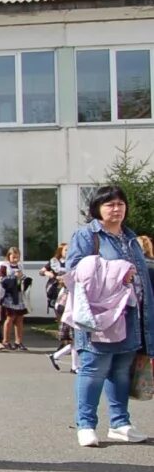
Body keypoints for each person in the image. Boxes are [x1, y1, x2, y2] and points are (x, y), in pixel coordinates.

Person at [64, 186, 152, 447]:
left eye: (120, 204)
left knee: (122, 370)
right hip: (98, 316)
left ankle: (120, 423)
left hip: (130, 315)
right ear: (97, 209)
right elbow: (74, 272)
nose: (117, 209)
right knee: (94, 369)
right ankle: (86, 424)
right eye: (110, 204)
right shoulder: (87, 235)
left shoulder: (130, 238)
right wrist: (118, 270)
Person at [0, 247, 31, 351]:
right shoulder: (4, 266)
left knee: (20, 319)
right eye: (13, 257)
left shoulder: (20, 266)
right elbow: (1, 280)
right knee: (10, 318)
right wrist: (13, 276)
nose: (15, 259)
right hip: (9, 295)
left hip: (19, 294)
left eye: (17, 257)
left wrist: (23, 278)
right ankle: (5, 341)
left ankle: (18, 341)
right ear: (9, 256)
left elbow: (23, 278)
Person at [40, 242, 68, 314]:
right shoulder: (54, 261)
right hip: (56, 288)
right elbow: (41, 271)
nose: (68, 252)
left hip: (67, 288)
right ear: (60, 251)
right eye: (66, 250)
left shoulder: (72, 261)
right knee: (58, 308)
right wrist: (47, 273)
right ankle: (59, 324)